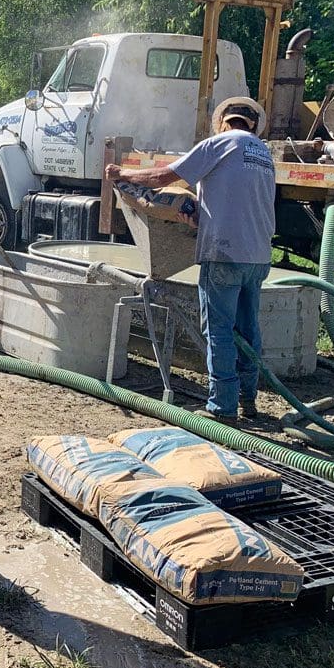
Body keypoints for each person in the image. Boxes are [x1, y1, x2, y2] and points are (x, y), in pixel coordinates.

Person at [106, 98, 275, 424]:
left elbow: (164, 178)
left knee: (220, 331)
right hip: (258, 256)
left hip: (225, 252)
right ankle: (247, 400)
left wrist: (122, 172)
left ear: (223, 122)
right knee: (248, 328)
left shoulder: (219, 144)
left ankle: (222, 408)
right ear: (253, 124)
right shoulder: (263, 154)